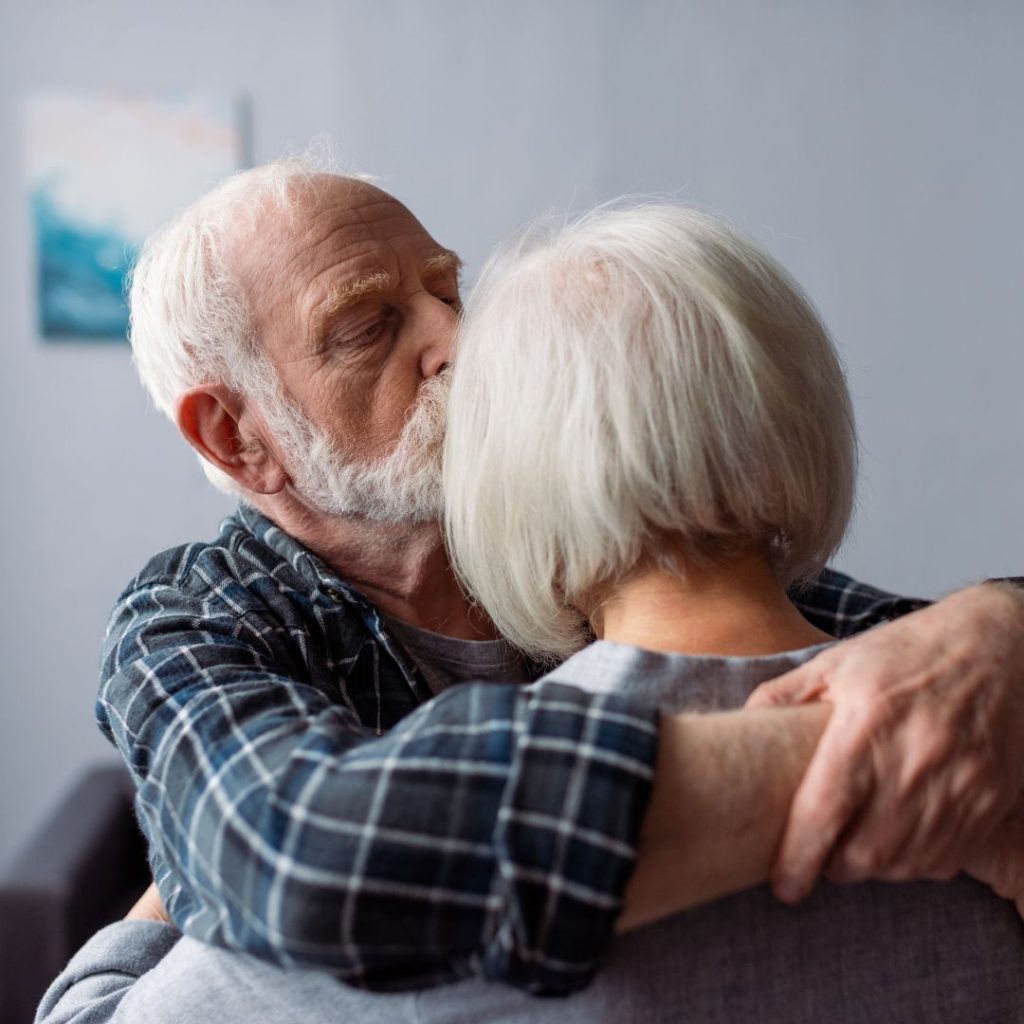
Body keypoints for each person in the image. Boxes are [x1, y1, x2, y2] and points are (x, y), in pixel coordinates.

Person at [46, 159, 1024, 999]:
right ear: (236, 434)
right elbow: (304, 856)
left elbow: (841, 624)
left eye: (448, 291)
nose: (458, 340)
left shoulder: (597, 530)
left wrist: (998, 621)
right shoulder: (195, 616)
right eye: (368, 326)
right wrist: (854, 761)